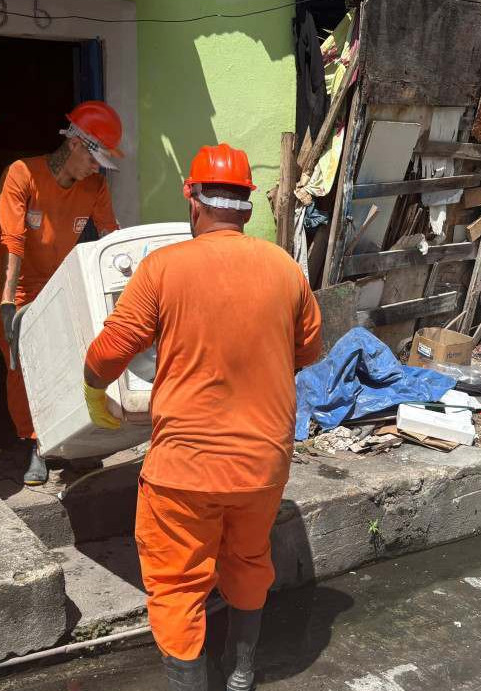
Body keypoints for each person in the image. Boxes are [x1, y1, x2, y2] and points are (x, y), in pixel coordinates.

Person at [83, 144, 323, 691]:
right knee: (246, 559)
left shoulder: (163, 268)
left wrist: (94, 390)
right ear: (246, 208)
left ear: (192, 199)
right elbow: (308, 352)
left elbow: (106, 355)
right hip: (263, 465)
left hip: (184, 471)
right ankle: (241, 672)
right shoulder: (285, 269)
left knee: (176, 584)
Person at [0, 101, 123, 485]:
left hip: (56, 278)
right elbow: (12, 240)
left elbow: (110, 235)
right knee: (23, 364)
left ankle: (73, 441)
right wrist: (9, 304)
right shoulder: (22, 174)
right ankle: (36, 444)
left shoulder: (94, 186)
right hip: (11, 282)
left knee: (68, 358)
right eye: (95, 159)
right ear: (77, 144)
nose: (97, 169)